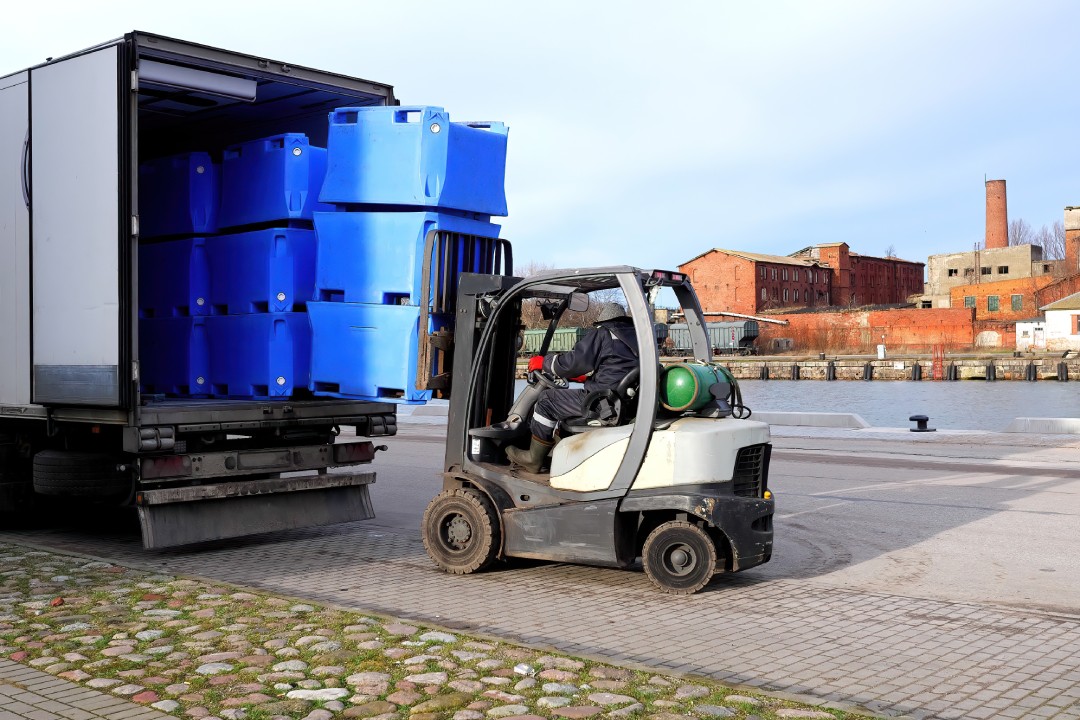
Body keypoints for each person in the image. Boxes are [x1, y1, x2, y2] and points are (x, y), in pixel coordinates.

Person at [506, 302, 638, 473]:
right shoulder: (637, 337)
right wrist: (585, 378)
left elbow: (573, 362)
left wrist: (543, 362)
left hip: (602, 403)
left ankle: (533, 458)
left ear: (604, 320)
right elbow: (616, 370)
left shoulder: (604, 332)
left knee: (547, 401)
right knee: (561, 400)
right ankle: (561, 451)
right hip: (623, 401)